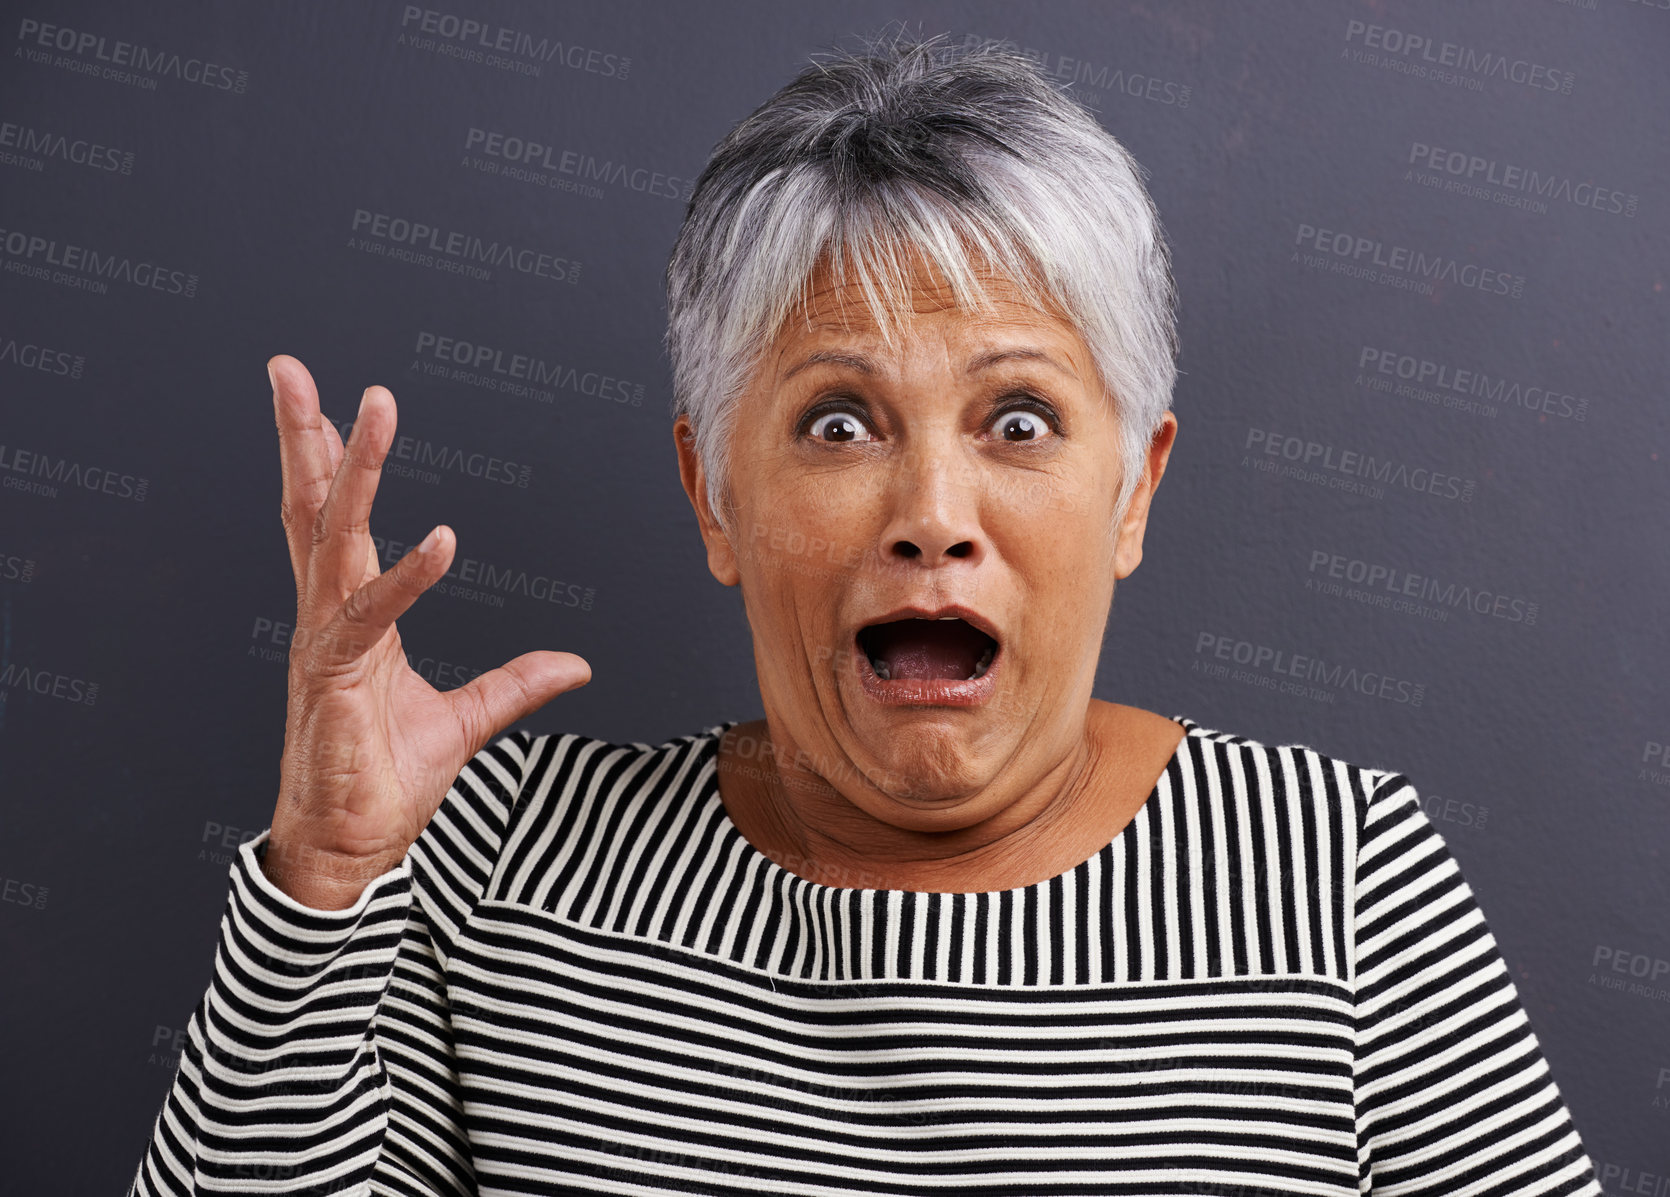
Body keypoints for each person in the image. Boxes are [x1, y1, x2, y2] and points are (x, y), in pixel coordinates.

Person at [130, 32, 1602, 1196]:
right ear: (712, 490)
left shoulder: (1337, 882)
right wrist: (321, 886)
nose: (932, 511)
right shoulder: (500, 852)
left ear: (1134, 490)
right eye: (838, 423)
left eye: (1017, 419)